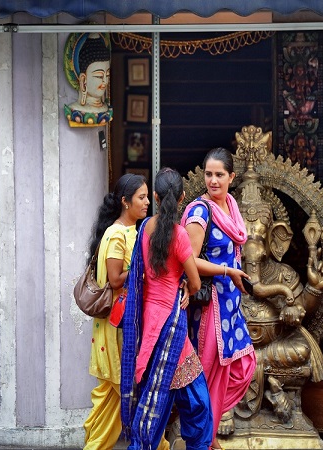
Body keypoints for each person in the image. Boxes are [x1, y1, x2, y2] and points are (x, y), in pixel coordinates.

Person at [121, 167, 213, 450]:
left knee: (153, 395)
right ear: (182, 197)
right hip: (171, 324)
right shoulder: (180, 235)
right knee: (198, 401)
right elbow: (195, 282)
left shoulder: (144, 228)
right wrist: (186, 288)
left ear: (156, 197)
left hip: (148, 322)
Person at [83, 173, 166, 450]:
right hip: (116, 327)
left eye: (147, 197)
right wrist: (146, 272)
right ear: (125, 201)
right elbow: (116, 279)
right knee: (123, 392)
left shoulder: (133, 230)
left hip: (125, 324)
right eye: (141, 198)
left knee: (113, 397)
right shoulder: (117, 233)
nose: (147, 202)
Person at [180, 147, 256, 449]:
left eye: (219, 175)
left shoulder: (231, 207)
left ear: (231, 177)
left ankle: (205, 433)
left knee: (243, 367)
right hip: (209, 305)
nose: (213, 180)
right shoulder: (200, 212)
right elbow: (188, 259)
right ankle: (204, 440)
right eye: (209, 174)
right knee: (209, 372)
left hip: (230, 304)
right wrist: (227, 271)